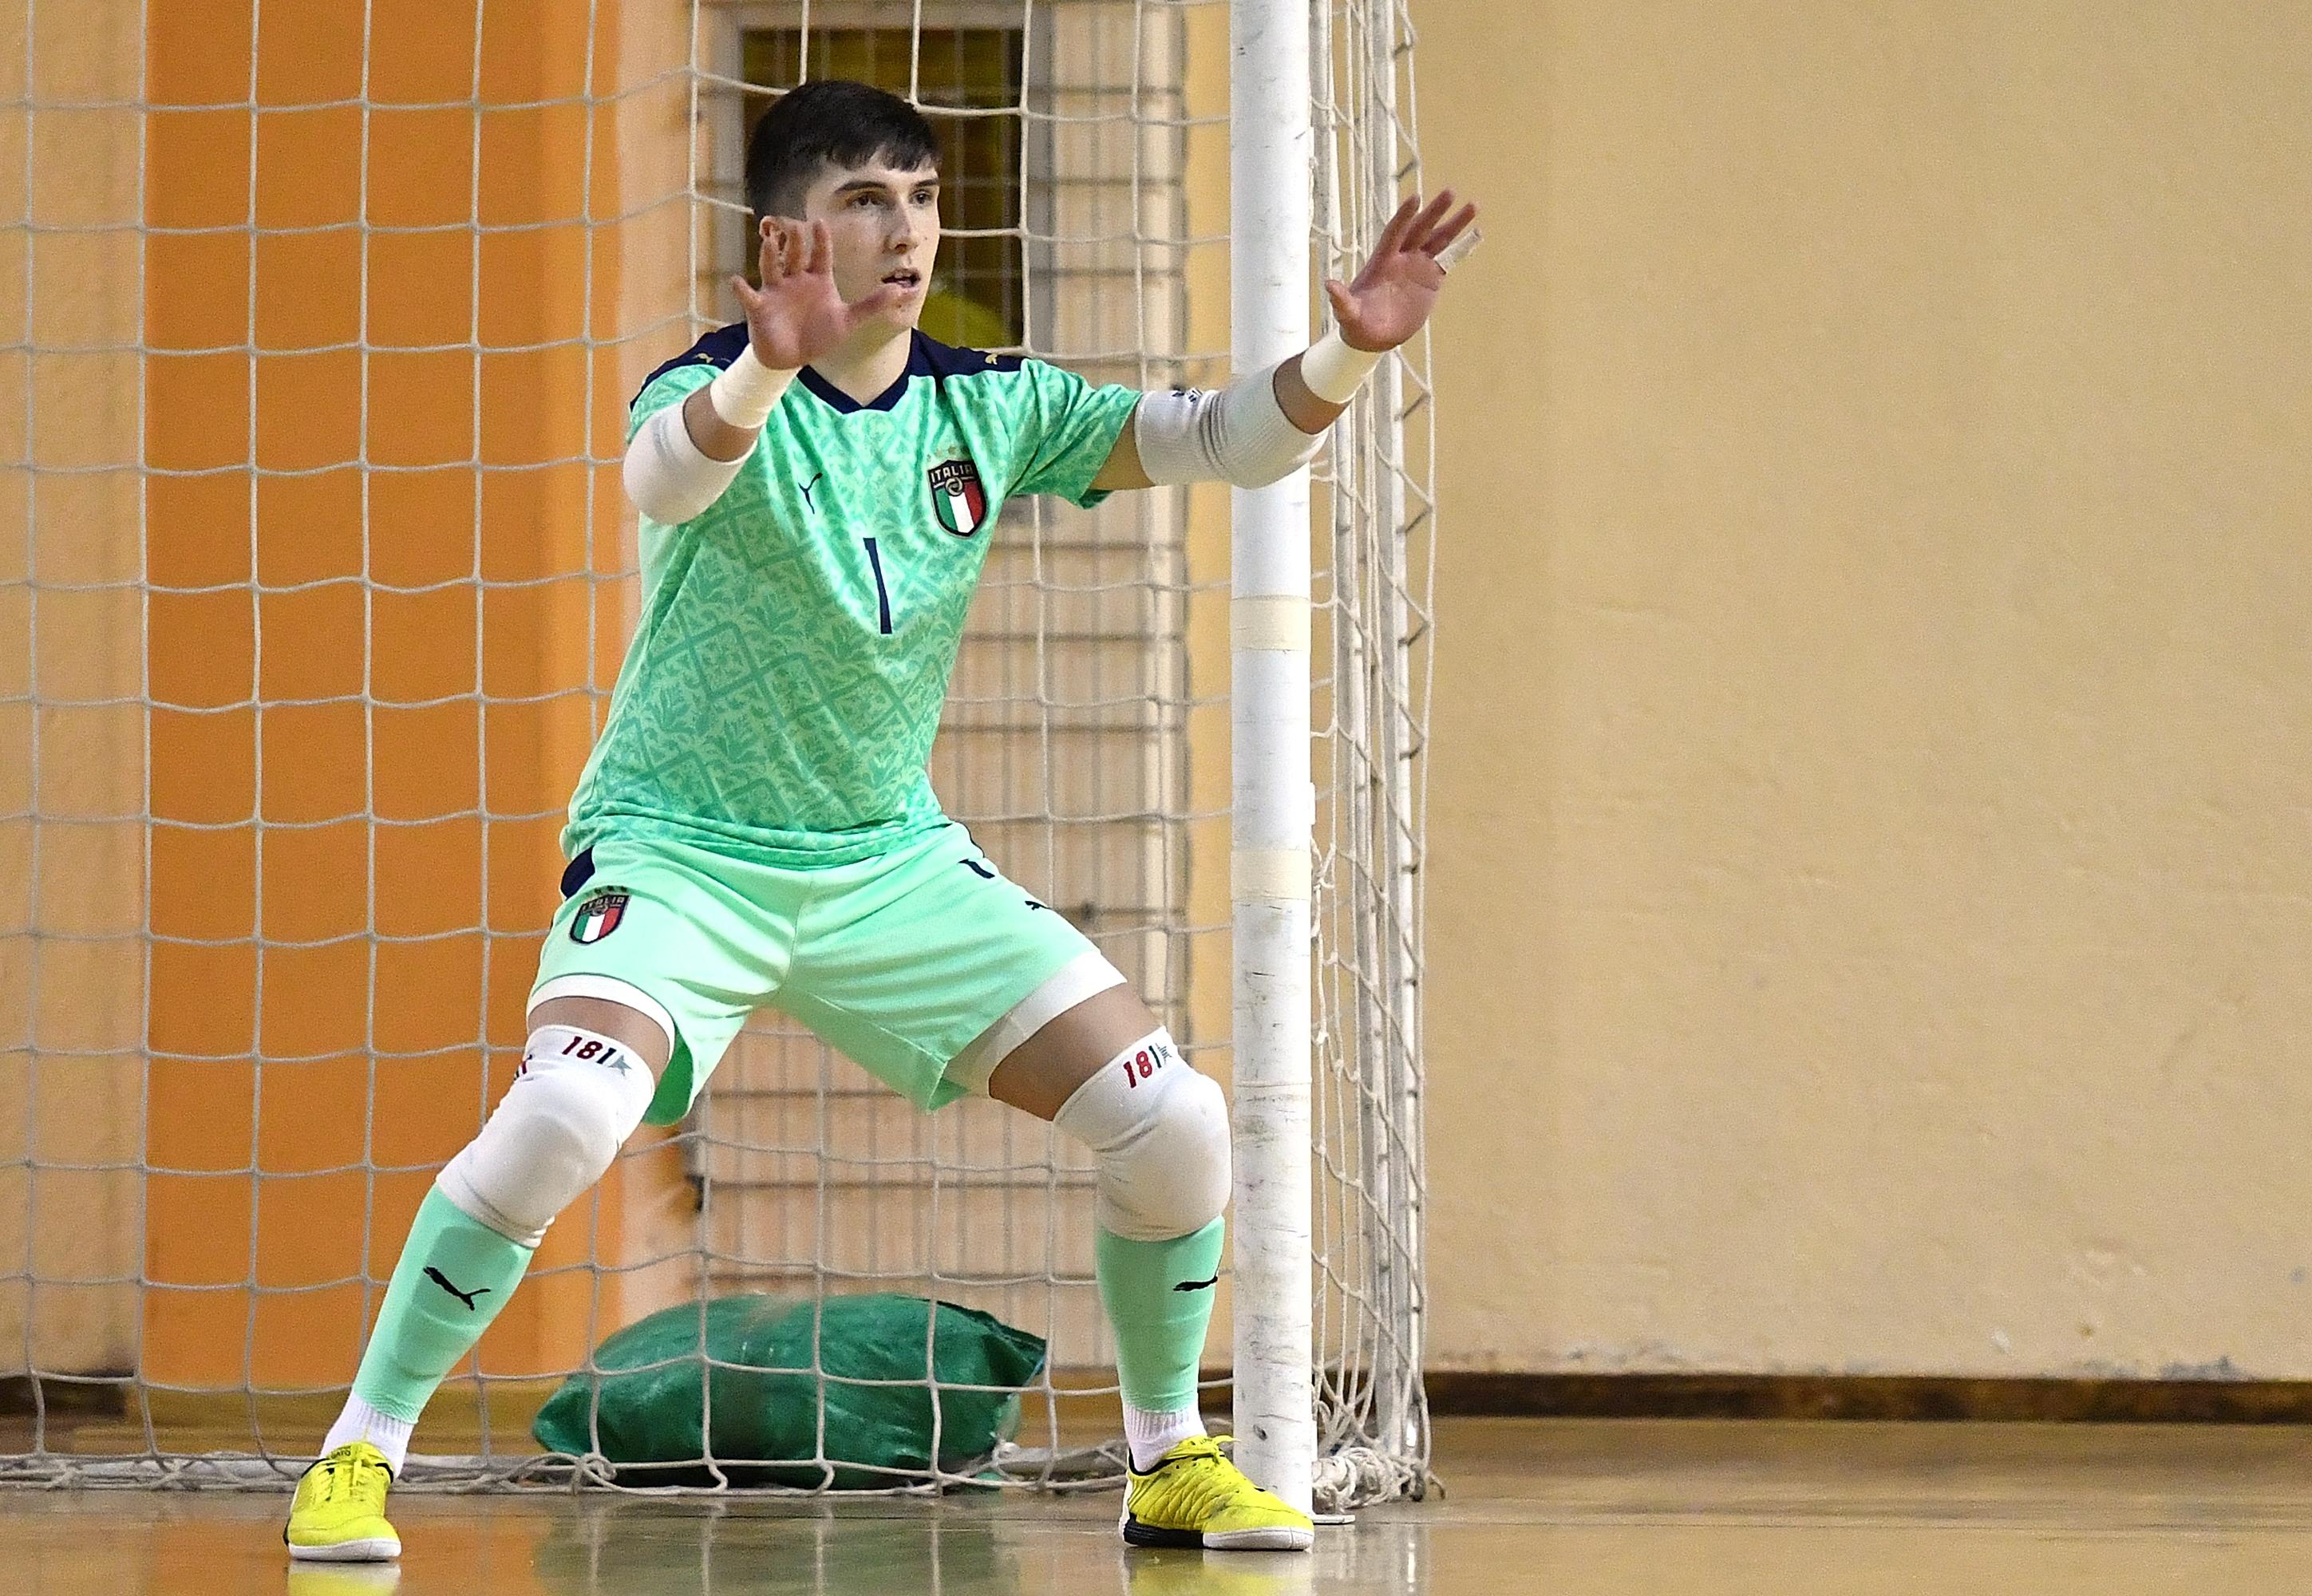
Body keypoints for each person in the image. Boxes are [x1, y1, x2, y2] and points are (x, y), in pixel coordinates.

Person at [284, 79, 1476, 1562]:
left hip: (887, 866)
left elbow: (1225, 439)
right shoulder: (705, 386)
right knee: (565, 1116)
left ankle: (1169, 1459)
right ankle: (357, 1455)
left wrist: (1344, 355)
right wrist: (762, 375)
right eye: (865, 198)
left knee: (1173, 1122)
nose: (905, 227)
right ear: (785, 233)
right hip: (681, 852)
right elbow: (665, 479)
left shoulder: (995, 403)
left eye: (918, 195)